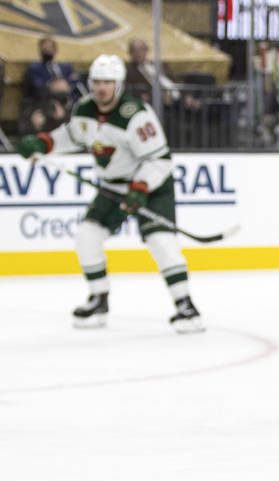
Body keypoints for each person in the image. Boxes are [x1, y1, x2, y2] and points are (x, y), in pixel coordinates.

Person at [15, 55, 202, 332]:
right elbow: (73, 135)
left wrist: (140, 189)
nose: (101, 88)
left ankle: (186, 306)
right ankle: (98, 299)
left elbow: (159, 161)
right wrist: (45, 143)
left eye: (108, 82)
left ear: (119, 85)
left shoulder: (136, 115)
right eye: (97, 82)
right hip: (113, 186)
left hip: (150, 186)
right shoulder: (86, 108)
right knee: (86, 236)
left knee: (161, 241)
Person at [22, 37, 82, 107]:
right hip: (47, 101)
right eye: (45, 48)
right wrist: (52, 86)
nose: (47, 50)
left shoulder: (66, 67)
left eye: (49, 48)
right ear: (40, 50)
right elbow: (36, 85)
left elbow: (76, 79)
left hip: (69, 98)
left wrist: (66, 84)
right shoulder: (34, 68)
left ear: (55, 50)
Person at [125, 38, 179, 106]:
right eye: (134, 50)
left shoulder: (160, 64)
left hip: (175, 95)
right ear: (130, 53)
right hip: (154, 102)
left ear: (146, 50)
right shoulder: (128, 70)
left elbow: (175, 79)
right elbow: (131, 90)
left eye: (141, 49)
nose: (138, 53)